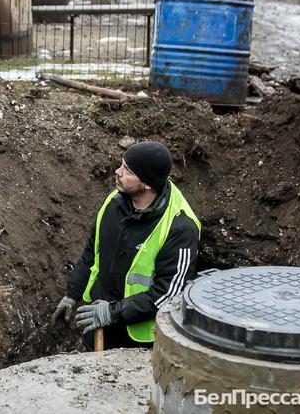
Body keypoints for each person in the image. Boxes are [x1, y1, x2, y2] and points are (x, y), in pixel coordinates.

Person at [52, 141, 200, 349]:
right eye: (122, 165)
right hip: (98, 325)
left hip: (139, 344)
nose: (118, 172)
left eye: (128, 170)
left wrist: (113, 312)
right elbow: (91, 254)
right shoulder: (114, 202)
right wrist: (72, 294)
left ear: (148, 183)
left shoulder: (180, 227)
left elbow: (170, 294)